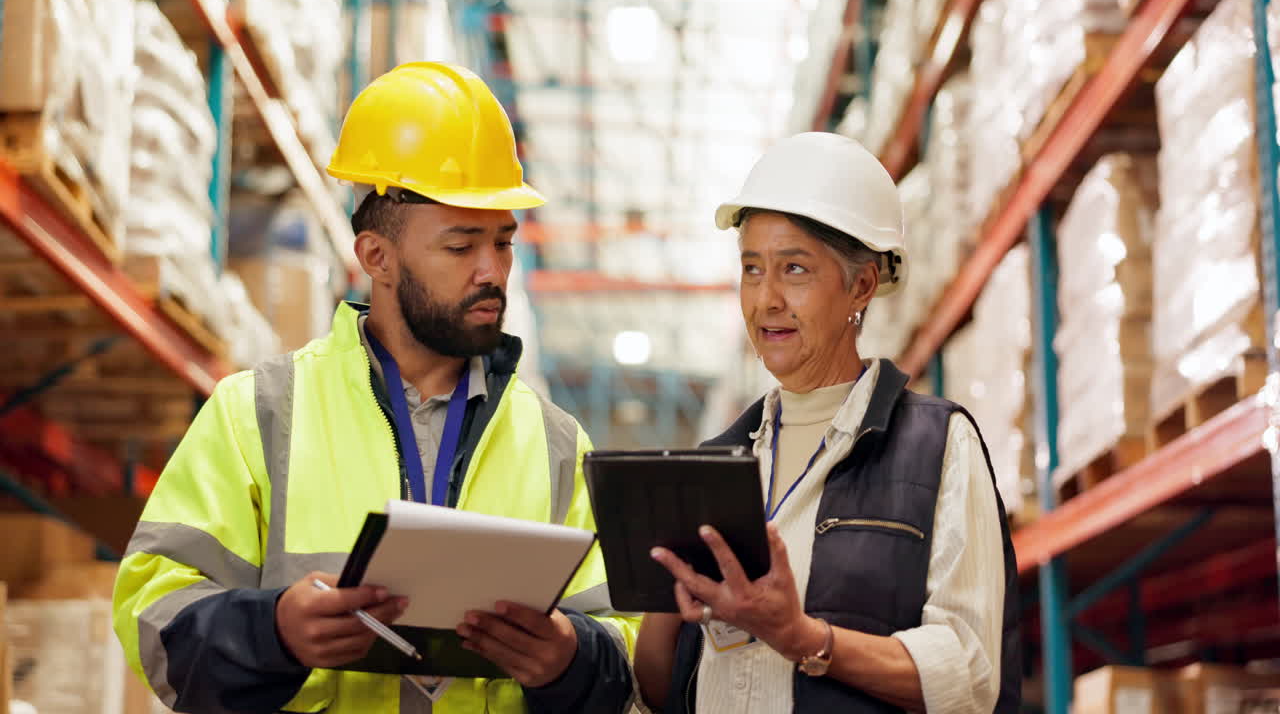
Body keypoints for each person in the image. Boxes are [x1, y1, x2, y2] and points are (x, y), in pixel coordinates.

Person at [112, 62, 638, 714]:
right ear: (376, 257)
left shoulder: (557, 445)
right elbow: (150, 615)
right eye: (460, 245)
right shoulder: (260, 412)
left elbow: (632, 649)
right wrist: (273, 631)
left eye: (503, 243)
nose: (492, 271)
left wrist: (570, 658)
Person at [632, 132, 1020, 714]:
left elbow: (969, 672)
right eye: (751, 269)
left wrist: (804, 639)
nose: (766, 300)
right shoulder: (717, 459)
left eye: (794, 269)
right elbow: (662, 693)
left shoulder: (935, 445)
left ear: (860, 286)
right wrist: (664, 596)